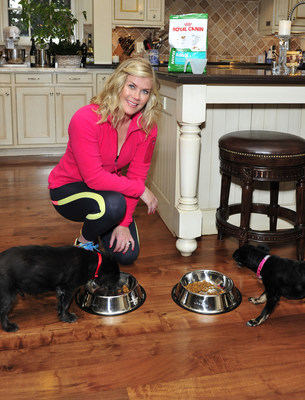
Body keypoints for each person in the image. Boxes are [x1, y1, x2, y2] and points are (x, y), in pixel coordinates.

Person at [48, 58, 162, 264]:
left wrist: (124, 223)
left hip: (108, 191)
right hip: (67, 189)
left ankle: (103, 222)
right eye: (132, 86)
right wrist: (140, 190)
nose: (137, 97)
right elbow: (94, 179)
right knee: (113, 204)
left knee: (126, 255)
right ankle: (82, 246)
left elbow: (137, 175)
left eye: (145, 91)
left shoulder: (147, 127)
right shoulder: (86, 119)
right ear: (118, 84)